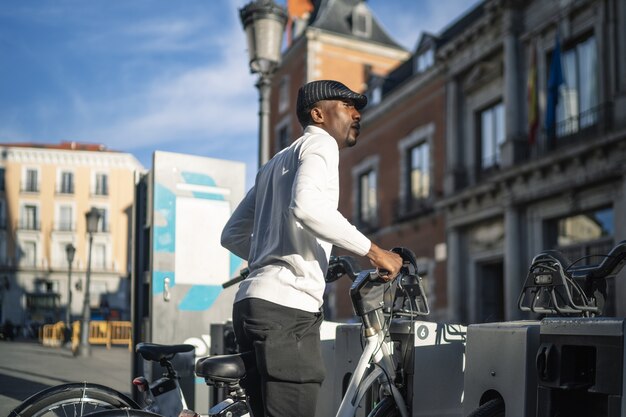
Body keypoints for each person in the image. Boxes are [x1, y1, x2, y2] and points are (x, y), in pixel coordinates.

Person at [221, 79, 403, 417]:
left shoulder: (273, 164)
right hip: (285, 310)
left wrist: (273, 254)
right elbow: (306, 208)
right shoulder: (321, 146)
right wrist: (376, 253)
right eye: (347, 106)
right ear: (318, 114)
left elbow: (231, 234)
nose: (356, 114)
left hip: (250, 304)